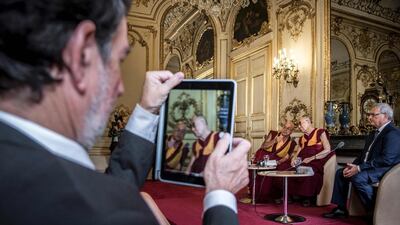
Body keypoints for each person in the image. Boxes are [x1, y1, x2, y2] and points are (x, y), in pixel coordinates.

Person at [0, 1, 251, 225]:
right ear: (81, 54)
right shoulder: (97, 212)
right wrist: (220, 197)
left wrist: (147, 109)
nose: (120, 88)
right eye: (118, 61)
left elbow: (106, 192)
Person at [323, 103, 400, 219]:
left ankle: (374, 211)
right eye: (369, 115)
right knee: (340, 173)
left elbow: (387, 159)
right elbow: (364, 155)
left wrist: (359, 168)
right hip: (370, 167)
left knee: (358, 178)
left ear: (385, 116)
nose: (369, 118)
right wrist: (353, 165)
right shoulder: (373, 133)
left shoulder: (393, 133)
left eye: (373, 115)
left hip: (386, 170)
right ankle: (341, 209)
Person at [288, 116, 333, 207]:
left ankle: (307, 197)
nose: (299, 127)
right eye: (299, 125)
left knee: (308, 170)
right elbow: (299, 151)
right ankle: (293, 194)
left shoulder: (320, 132)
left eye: (301, 124)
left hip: (316, 160)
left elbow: (328, 149)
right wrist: (293, 159)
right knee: (289, 168)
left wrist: (312, 158)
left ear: (308, 122)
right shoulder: (302, 138)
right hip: (303, 160)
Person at [250, 121, 297, 203]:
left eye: (288, 129)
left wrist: (277, 162)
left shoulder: (292, 143)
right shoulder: (273, 134)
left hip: (275, 161)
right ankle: (255, 193)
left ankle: (268, 195)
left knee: (280, 168)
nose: (285, 130)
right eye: (284, 127)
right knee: (257, 168)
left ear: (292, 131)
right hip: (263, 157)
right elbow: (263, 146)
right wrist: (274, 141)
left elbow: (286, 157)